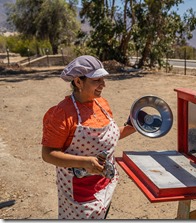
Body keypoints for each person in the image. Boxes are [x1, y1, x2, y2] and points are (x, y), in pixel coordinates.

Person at [41, 55, 136, 219]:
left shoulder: (101, 104)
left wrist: (134, 127)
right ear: (78, 82)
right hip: (79, 195)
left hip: (105, 184)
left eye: (103, 79)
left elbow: (107, 138)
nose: (103, 85)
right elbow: (48, 154)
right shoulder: (62, 113)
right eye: (96, 80)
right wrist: (84, 162)